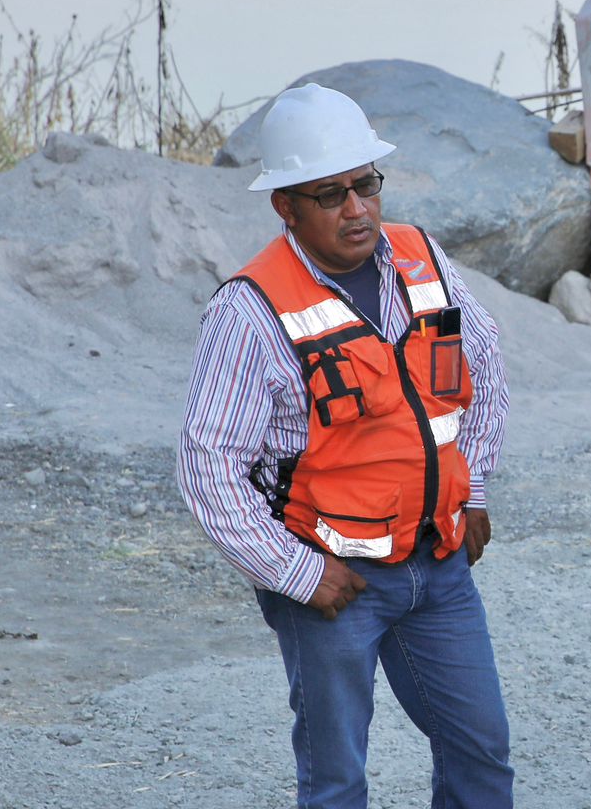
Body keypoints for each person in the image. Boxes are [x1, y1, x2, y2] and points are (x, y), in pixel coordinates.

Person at [177, 82, 514, 809]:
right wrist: (297, 575)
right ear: (286, 206)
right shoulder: (251, 310)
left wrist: (474, 487)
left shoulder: (422, 259)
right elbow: (208, 466)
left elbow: (482, 367)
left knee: (481, 755)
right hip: (334, 584)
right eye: (330, 194)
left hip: (440, 566)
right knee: (336, 784)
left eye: (366, 184)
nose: (357, 208)